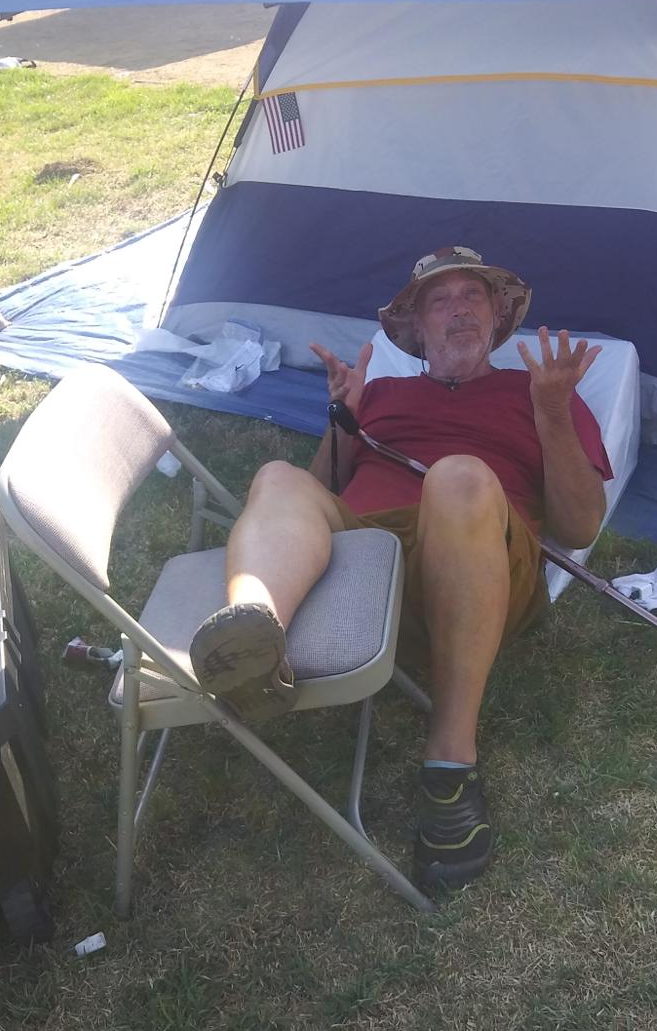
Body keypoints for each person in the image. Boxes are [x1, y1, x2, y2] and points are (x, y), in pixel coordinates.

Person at [188, 246, 613, 890]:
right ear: (416, 330)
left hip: (482, 560)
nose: (458, 310)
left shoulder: (541, 393)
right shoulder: (382, 393)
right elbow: (319, 492)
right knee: (277, 477)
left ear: (498, 317)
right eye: (439, 302)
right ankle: (254, 629)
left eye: (472, 296)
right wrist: (343, 421)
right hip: (364, 560)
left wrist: (553, 413)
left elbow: (579, 526)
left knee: (460, 477)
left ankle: (450, 765)